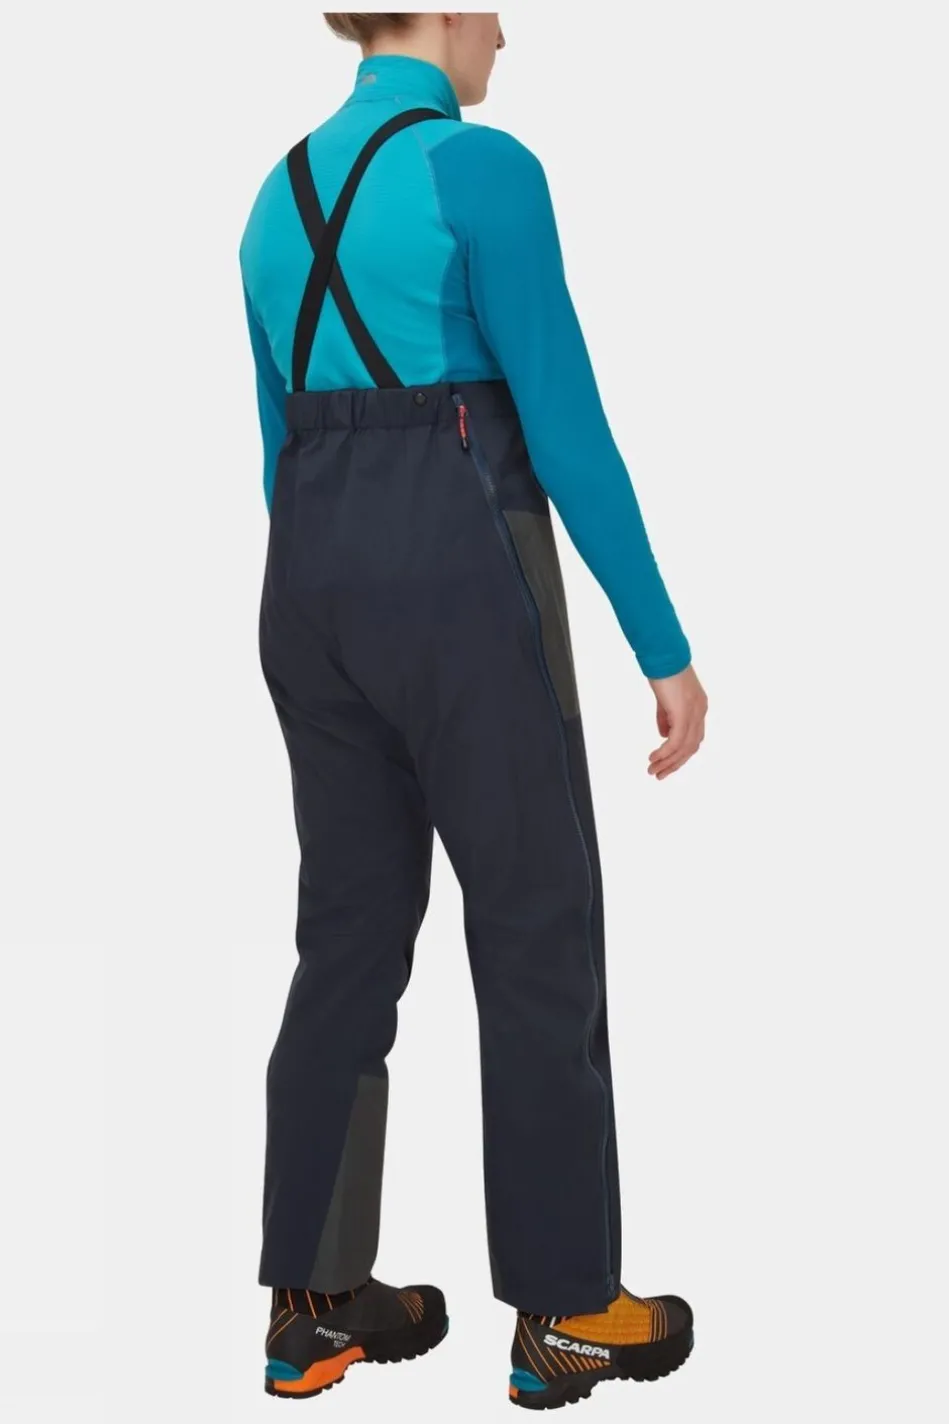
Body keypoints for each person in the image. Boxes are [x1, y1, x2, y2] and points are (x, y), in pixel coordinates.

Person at [240, 10, 707, 1408]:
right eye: (491, 2)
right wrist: (662, 643)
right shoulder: (483, 169)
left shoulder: (273, 196)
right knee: (536, 924)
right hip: (457, 563)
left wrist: (339, 586)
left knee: (346, 938)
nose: (505, 29)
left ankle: (311, 1303)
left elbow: (272, 442)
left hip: (307, 579)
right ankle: (566, 1311)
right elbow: (562, 423)